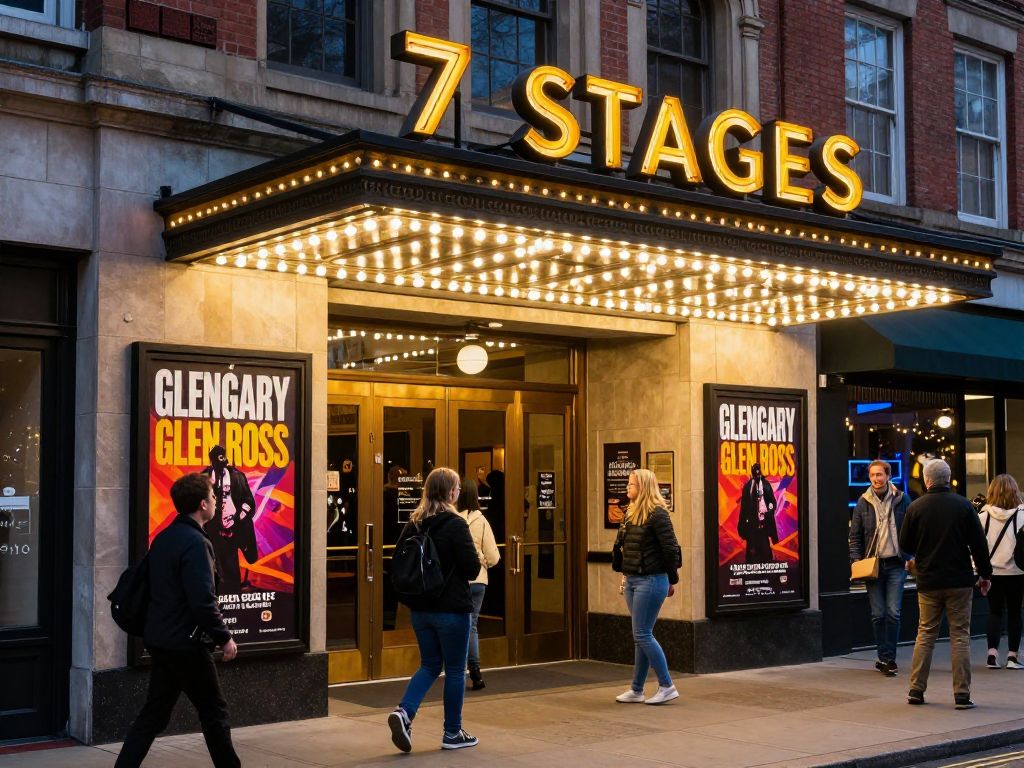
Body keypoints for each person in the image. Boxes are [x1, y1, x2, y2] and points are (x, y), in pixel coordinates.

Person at [115, 473, 239, 768]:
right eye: (212, 496)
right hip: (187, 645)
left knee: (154, 714)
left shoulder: (166, 537)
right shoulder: (196, 543)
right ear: (202, 505)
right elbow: (202, 601)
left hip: (162, 641)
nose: (215, 500)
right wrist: (224, 637)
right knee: (214, 712)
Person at [388, 467, 482, 752]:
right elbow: (471, 567)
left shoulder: (413, 523)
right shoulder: (455, 524)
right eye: (455, 488)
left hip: (420, 609)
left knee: (429, 665)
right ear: (451, 492)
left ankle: (404, 712)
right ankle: (452, 733)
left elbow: (398, 563)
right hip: (452, 609)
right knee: (455, 670)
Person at [899, 459, 992, 709]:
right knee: (960, 636)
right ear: (948, 479)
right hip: (959, 580)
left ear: (927, 480)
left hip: (928, 581)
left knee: (925, 634)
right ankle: (961, 694)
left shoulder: (916, 507)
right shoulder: (963, 506)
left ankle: (916, 690)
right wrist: (985, 575)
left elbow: (905, 545)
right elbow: (979, 544)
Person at [611, 468, 681, 705]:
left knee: (642, 634)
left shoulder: (657, 514)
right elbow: (625, 546)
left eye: (631, 484)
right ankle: (637, 689)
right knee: (640, 635)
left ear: (643, 487)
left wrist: (672, 579)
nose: (627, 488)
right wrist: (623, 571)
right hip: (632, 579)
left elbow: (671, 549)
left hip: (651, 580)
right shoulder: (630, 512)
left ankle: (666, 685)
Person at [849, 459, 911, 677]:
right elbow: (855, 536)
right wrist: (856, 560)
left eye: (880, 475)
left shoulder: (902, 499)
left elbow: (913, 530)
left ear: (888, 476)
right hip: (873, 565)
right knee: (878, 614)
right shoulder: (863, 502)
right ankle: (883, 656)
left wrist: (909, 557)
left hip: (896, 563)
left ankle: (890, 658)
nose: (876, 479)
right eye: (873, 475)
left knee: (893, 612)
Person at [456, 477, 501, 691]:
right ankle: (475, 672)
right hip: (478, 582)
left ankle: (457, 670)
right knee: (472, 625)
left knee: (457, 625)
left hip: (458, 581)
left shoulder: (453, 519)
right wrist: (482, 559)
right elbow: (494, 557)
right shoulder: (482, 522)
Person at [977, 474, 1024, 670]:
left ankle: (992, 655)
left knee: (994, 612)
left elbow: (977, 546)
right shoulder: (1023, 515)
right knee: (1015, 612)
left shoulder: (982, 516)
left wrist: (981, 571)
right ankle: (1012, 656)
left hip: (992, 572)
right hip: (1017, 571)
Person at [202, 445, 258, 594]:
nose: (223, 461)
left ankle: (232, 598)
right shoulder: (204, 478)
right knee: (218, 568)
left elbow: (249, 503)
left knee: (239, 562)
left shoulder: (237, 477)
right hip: (214, 532)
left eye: (223, 457)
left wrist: (237, 518)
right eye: (218, 458)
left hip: (236, 528)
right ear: (212, 461)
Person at [737, 462, 779, 563]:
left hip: (763, 526)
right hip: (751, 527)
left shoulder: (766, 485)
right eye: (755, 473)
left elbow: (772, 502)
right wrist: (742, 526)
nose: (757, 475)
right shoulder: (748, 487)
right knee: (751, 557)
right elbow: (744, 508)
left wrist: (769, 509)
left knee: (766, 556)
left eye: (758, 473)